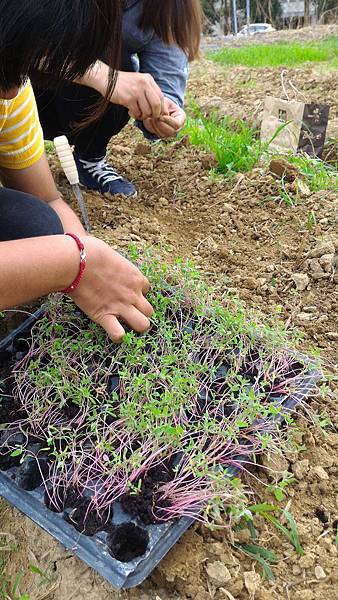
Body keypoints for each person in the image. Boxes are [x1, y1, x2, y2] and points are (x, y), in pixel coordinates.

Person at [0, 0, 153, 343]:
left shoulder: (10, 93)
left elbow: (48, 198)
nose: (11, 91)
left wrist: (87, 251)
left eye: (22, 69)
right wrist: (73, 265)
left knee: (37, 225)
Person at [34, 0, 202, 198]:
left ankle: (90, 158)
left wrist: (159, 110)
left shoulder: (168, 6)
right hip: (21, 90)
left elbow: (165, 81)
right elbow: (17, 40)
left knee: (119, 58)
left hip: (74, 109)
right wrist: (106, 78)